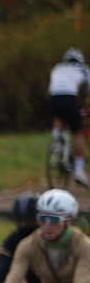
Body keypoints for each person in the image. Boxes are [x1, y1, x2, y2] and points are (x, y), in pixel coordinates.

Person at [47, 46, 90, 183]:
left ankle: (56, 140)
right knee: (77, 132)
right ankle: (79, 170)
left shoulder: (57, 67)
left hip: (52, 99)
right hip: (69, 99)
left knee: (59, 117)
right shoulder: (83, 69)